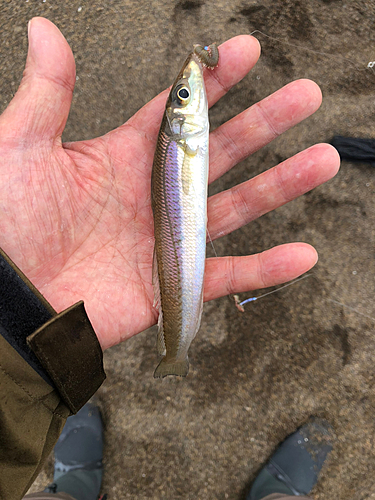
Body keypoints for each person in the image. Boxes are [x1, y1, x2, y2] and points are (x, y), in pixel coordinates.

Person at [0, 17, 340, 500]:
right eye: (185, 98)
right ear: (182, 118)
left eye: (183, 97)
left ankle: (70, 488)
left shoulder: (184, 133)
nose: (190, 97)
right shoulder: (180, 132)